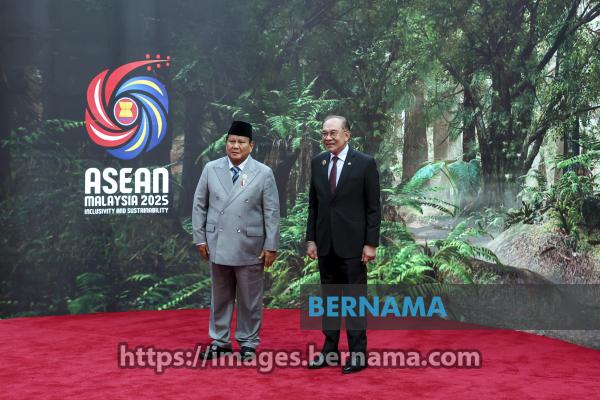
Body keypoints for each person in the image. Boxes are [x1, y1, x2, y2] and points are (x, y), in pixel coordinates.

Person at [192, 120, 280, 361]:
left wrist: (271, 245)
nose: (235, 146)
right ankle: (220, 341)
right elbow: (199, 205)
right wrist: (200, 238)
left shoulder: (263, 172)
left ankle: (248, 342)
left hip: (250, 245)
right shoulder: (211, 168)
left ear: (251, 145)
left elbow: (271, 211)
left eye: (241, 142)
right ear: (225, 143)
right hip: (217, 242)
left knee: (250, 299)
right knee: (220, 296)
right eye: (231, 141)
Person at [306, 115, 381, 374]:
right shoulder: (318, 162)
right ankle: (330, 351)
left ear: (347, 135)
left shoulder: (365, 163)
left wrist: (371, 244)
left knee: (353, 301)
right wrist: (311, 239)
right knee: (330, 300)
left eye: (333, 133)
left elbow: (373, 208)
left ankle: (358, 354)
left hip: (354, 246)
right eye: (324, 133)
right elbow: (314, 205)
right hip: (325, 244)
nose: (328, 138)